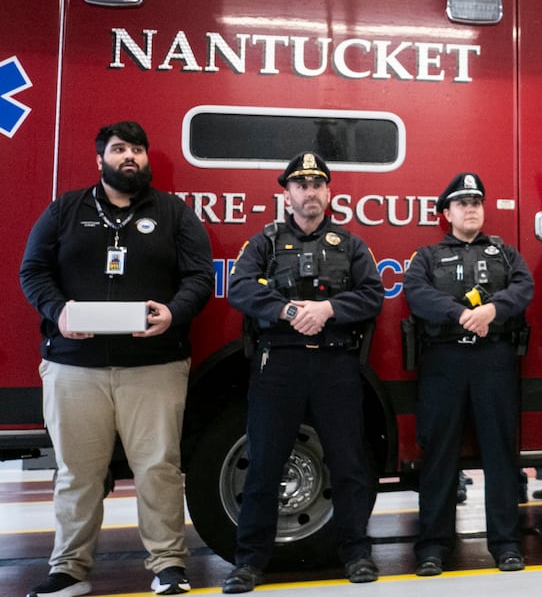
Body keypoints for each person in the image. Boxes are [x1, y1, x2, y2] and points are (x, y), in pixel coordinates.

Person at [19, 121, 213, 597]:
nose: (131, 157)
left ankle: (168, 565)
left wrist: (174, 312)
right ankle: (69, 569)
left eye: (139, 150)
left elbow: (199, 277)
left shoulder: (174, 212)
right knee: (77, 473)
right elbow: (34, 271)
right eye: (120, 149)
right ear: (100, 159)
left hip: (155, 367)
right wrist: (58, 312)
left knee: (159, 469)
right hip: (72, 367)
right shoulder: (66, 209)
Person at [222, 153, 384, 594]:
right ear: (286, 193)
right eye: (301, 185)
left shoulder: (350, 245)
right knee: (263, 466)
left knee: (350, 464)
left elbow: (373, 295)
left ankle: (356, 553)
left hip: (335, 365)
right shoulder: (265, 243)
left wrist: (329, 308)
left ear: (328, 193)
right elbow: (239, 289)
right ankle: (249, 563)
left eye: (317, 184)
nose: (309, 192)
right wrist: (289, 310)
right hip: (280, 365)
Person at [404, 171, 533, 576]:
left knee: (500, 456)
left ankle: (507, 544)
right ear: (446, 212)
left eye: (476, 202)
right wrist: (460, 314)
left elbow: (524, 287)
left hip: (493, 361)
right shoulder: (426, 256)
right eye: (462, 203)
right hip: (444, 365)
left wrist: (493, 310)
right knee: (439, 457)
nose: (471, 208)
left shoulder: (505, 254)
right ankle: (432, 547)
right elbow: (416, 292)